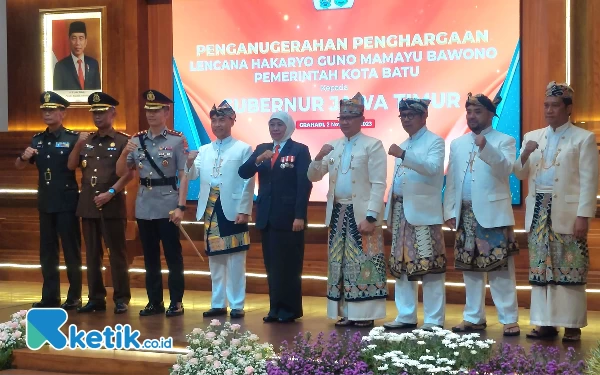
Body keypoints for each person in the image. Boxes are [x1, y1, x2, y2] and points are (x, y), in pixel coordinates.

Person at [514, 82, 598, 342]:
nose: (548, 111)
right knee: (541, 267)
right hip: (539, 209)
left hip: (568, 212)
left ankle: (571, 323)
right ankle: (544, 323)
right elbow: (518, 173)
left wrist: (584, 215)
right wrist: (525, 154)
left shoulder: (583, 138)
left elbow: (589, 180)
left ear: (568, 108)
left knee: (569, 266)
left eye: (554, 106)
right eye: (545, 105)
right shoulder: (533, 136)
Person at [307, 92, 387, 328]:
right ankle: (345, 311)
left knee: (364, 261)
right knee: (339, 263)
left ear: (361, 119)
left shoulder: (373, 145)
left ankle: (364, 313)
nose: (345, 122)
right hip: (338, 213)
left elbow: (379, 183)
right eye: (341, 117)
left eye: (350, 118)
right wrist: (318, 156)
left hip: (361, 213)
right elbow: (312, 176)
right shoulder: (334, 146)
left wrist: (371, 216)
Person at [444, 93, 520, 336]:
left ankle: (509, 319)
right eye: (469, 112)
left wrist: (486, 147)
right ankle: (473, 317)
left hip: (492, 213)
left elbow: (506, 169)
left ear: (490, 114)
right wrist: (449, 210)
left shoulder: (504, 140)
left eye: (477, 112)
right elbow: (453, 180)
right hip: (465, 213)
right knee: (471, 270)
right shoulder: (457, 143)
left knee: (499, 269)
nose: (472, 116)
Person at [116, 89, 189, 317]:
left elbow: (184, 173)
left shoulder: (177, 140)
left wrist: (181, 206)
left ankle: (176, 301)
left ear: (166, 112)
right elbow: (121, 171)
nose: (150, 114)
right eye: (148, 109)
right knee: (149, 257)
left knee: (172, 256)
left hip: (168, 204)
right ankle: (154, 301)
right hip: (144, 205)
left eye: (155, 110)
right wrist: (123, 153)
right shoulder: (136, 140)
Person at [239, 111, 312, 323]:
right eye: (272, 125)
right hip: (267, 217)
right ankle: (275, 309)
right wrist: (259, 160)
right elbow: (243, 172)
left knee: (289, 265)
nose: (275, 129)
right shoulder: (263, 148)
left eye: (279, 125)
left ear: (288, 126)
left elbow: (303, 184)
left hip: (290, 218)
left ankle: (289, 310)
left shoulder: (299, 150)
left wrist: (300, 216)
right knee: (272, 266)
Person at [185, 101, 255, 319]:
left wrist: (244, 209)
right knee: (215, 258)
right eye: (214, 120)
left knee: (235, 259)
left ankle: (236, 304)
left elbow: (248, 181)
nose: (217, 124)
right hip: (211, 208)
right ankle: (217, 302)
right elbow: (193, 176)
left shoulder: (243, 148)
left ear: (232, 121)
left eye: (222, 120)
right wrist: (188, 163)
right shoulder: (204, 150)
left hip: (233, 208)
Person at [382, 98, 446, 331]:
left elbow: (432, 169)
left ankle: (433, 320)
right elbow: (397, 182)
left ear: (423, 117)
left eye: (411, 115)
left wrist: (403, 155)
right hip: (400, 212)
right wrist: (388, 212)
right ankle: (406, 315)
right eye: (403, 116)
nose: (406, 120)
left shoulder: (435, 142)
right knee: (401, 266)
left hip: (423, 214)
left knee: (430, 267)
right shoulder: (403, 143)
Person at [67, 92, 133, 314]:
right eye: (94, 112)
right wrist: (77, 145)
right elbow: (72, 165)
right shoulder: (86, 141)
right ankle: (95, 297)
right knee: (92, 254)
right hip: (88, 203)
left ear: (113, 113)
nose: (97, 116)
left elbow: (130, 174)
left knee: (117, 253)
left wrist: (112, 192)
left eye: (102, 112)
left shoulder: (124, 140)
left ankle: (121, 298)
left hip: (112, 204)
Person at [15, 91, 82, 309]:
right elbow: (20, 165)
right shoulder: (37, 139)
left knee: (71, 250)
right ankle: (50, 297)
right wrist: (23, 157)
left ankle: (74, 296)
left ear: (63, 113)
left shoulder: (72, 138)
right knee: (47, 252)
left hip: (67, 201)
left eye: (52, 110)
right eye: (44, 110)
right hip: (45, 201)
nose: (47, 113)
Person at [53, 21, 101, 91]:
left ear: (85, 42)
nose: (77, 43)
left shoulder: (93, 64)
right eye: (74, 38)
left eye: (81, 38)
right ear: (69, 41)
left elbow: (98, 92)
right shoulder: (60, 67)